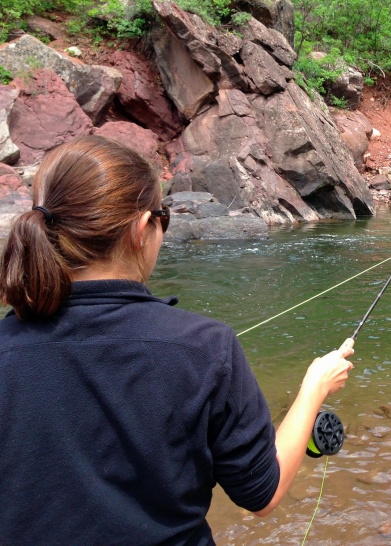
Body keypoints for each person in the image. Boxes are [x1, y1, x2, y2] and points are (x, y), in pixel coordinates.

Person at [0, 136, 355, 545]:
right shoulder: (207, 348)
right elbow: (261, 494)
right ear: (140, 229)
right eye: (161, 217)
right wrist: (314, 389)